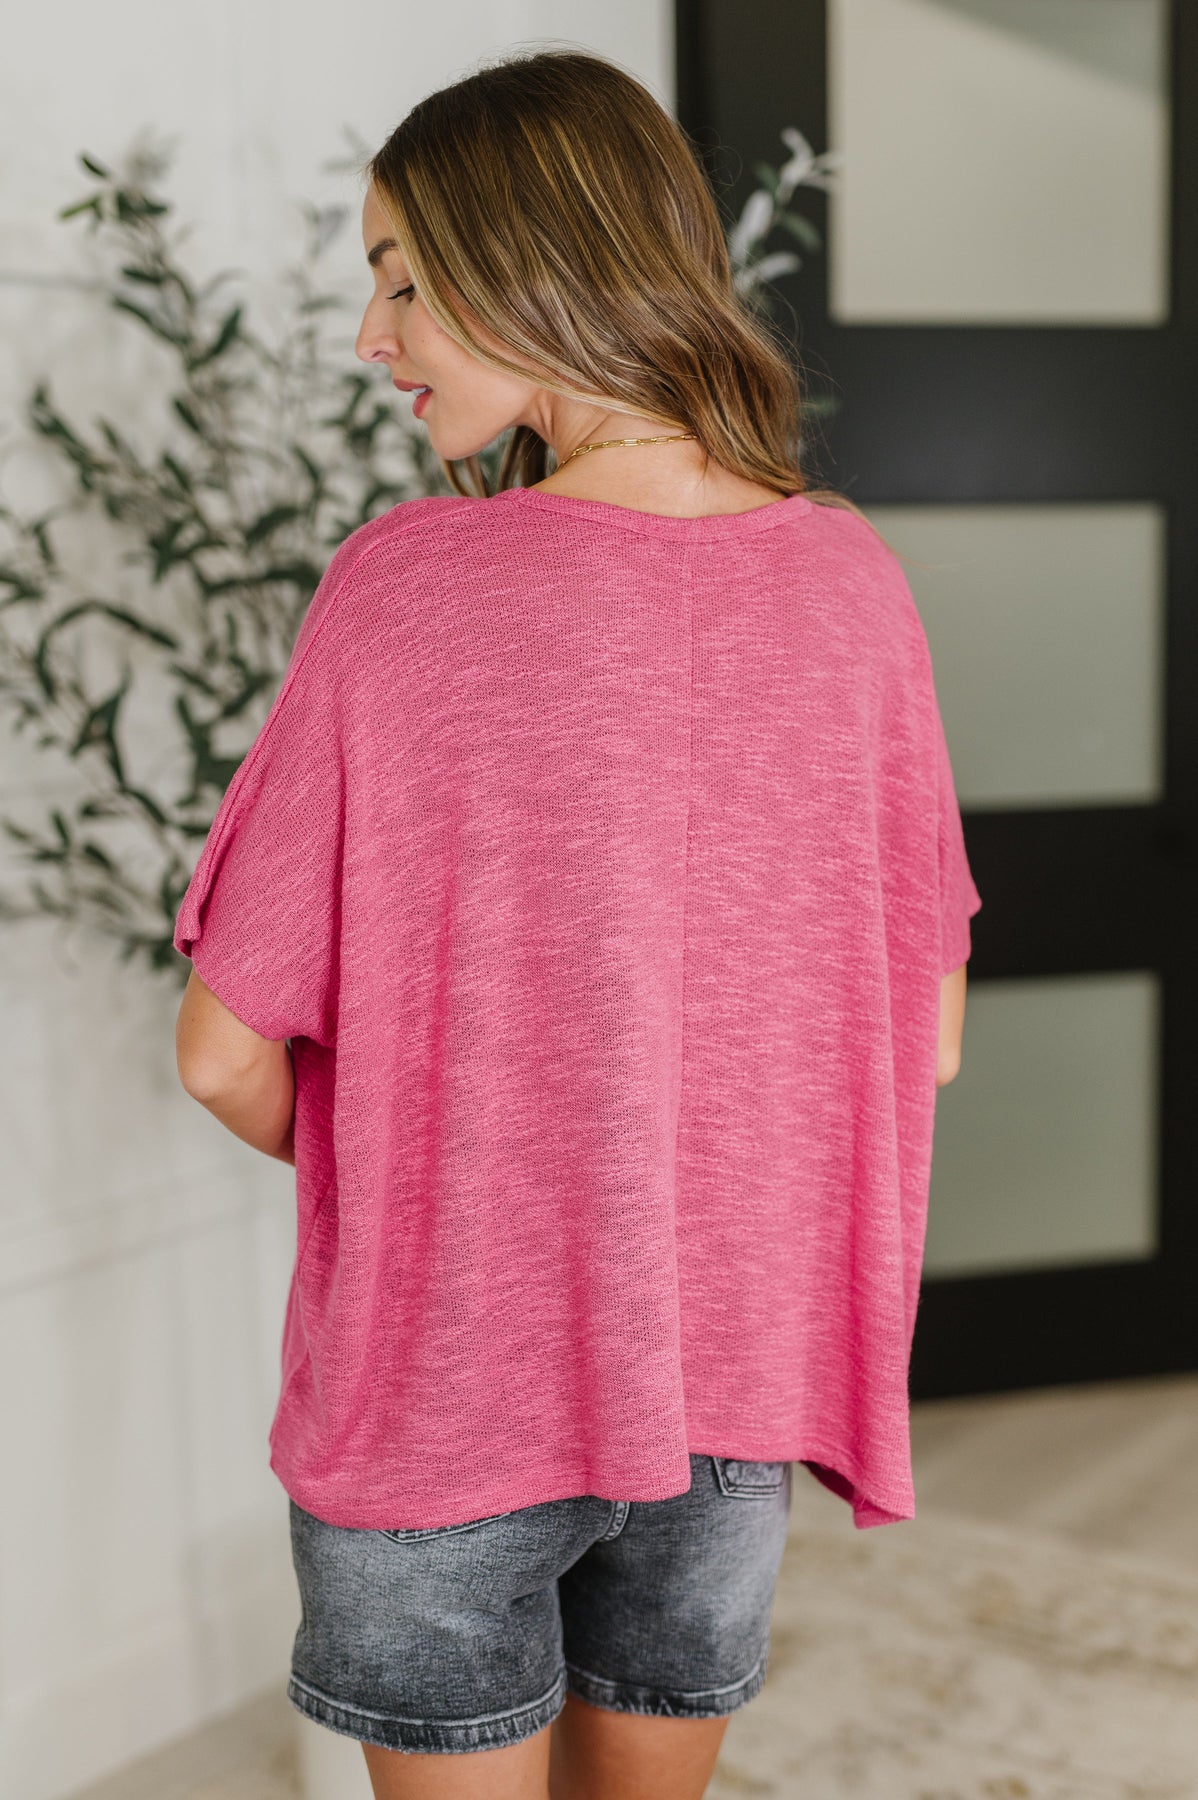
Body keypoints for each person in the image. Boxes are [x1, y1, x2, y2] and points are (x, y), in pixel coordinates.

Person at [173, 44, 981, 1800]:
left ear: (535, 260)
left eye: (402, 279)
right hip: (729, 1389)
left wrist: (436, 1176)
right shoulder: (853, 582)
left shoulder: (409, 589)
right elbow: (916, 1041)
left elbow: (223, 1053)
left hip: (448, 1396)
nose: (371, 335)